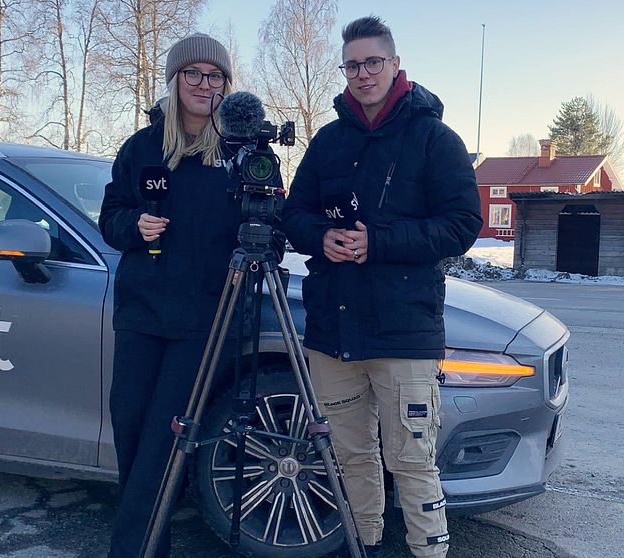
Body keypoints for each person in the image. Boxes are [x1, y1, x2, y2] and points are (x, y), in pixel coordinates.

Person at [281, 15, 482, 558]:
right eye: (353, 64)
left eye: (374, 61)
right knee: (349, 459)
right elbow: (292, 214)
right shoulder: (328, 141)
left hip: (403, 332)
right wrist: (320, 238)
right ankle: (361, 547)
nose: (363, 73)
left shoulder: (435, 139)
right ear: (344, 72)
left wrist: (382, 242)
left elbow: (464, 224)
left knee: (413, 463)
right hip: (334, 331)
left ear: (396, 65)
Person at [98, 33, 239, 558]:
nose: (205, 84)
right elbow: (109, 220)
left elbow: (271, 222)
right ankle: (149, 544)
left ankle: (131, 550)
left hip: (202, 320)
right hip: (141, 313)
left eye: (216, 76)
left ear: (227, 85)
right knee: (132, 431)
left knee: (164, 440)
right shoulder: (141, 147)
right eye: (194, 74)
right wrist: (135, 224)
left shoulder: (239, 152)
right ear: (175, 79)